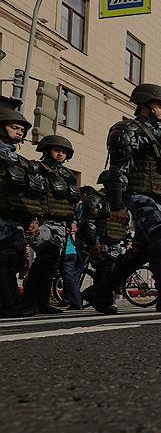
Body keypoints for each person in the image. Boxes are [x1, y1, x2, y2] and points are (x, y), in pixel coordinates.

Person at [84, 83, 161, 313]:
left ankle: (99, 292)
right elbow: (118, 170)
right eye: (160, 105)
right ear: (144, 105)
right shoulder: (128, 129)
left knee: (141, 252)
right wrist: (117, 205)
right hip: (140, 196)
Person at [16, 135, 80, 316]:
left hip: (61, 223)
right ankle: (28, 301)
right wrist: (32, 219)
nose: (60, 154)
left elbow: (70, 201)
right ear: (47, 150)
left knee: (52, 264)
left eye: (64, 152)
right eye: (57, 150)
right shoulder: (37, 168)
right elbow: (31, 194)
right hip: (42, 220)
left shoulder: (68, 174)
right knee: (46, 257)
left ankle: (42, 302)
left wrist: (72, 220)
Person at [0, 108, 42, 317]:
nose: (19, 132)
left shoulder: (22, 162)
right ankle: (9, 305)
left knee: (14, 259)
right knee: (4, 258)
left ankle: (12, 304)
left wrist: (31, 219)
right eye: (14, 127)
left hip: (14, 218)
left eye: (22, 130)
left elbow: (29, 193)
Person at [76, 177, 128, 312]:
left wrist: (127, 241)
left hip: (115, 242)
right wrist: (94, 242)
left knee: (116, 272)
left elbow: (124, 224)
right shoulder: (94, 199)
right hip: (100, 241)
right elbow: (88, 223)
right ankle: (102, 301)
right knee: (105, 271)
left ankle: (93, 295)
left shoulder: (121, 203)